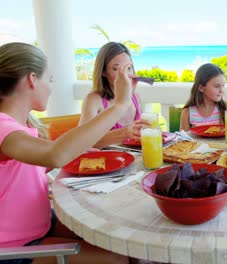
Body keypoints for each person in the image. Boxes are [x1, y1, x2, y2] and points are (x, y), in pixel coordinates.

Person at [0, 42, 133, 263]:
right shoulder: (4, 128)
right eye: (49, 80)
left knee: (122, 238)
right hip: (15, 248)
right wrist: (119, 105)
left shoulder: (19, 127)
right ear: (32, 79)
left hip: (42, 225)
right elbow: (55, 154)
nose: (51, 88)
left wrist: (79, 152)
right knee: (118, 259)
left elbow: (33, 166)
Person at [79, 42, 150, 148]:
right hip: (105, 161)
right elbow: (82, 141)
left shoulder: (136, 98)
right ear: (103, 72)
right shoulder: (94, 100)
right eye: (116, 69)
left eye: (128, 68)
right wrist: (126, 132)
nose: (125, 74)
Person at [179, 63, 227, 131]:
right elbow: (183, 139)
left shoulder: (226, 108)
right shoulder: (187, 112)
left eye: (223, 86)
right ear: (201, 87)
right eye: (217, 86)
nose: (221, 90)